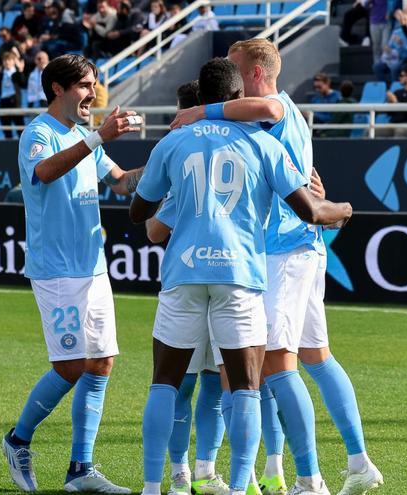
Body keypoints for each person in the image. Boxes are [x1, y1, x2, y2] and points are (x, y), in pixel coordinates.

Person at [170, 39, 383, 495]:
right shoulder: (281, 118)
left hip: (281, 250)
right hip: (301, 247)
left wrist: (200, 113)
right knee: (315, 358)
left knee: (271, 363)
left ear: (256, 74)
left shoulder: (274, 107)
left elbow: (264, 111)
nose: (229, 78)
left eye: (235, 68)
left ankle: (308, 479)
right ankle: (356, 461)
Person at [2, 54, 144, 493]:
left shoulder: (84, 135)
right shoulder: (38, 133)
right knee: (69, 366)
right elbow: (43, 173)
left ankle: (80, 470)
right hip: (57, 269)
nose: (93, 92)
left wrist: (167, 161)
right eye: (84, 84)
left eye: (95, 83)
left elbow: (121, 182)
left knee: (100, 363)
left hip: (93, 266)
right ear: (57, 89)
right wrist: (98, 138)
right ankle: (17, 439)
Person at [144, 80, 229, 495]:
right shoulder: (240, 142)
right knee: (212, 383)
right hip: (233, 277)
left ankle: (183, 474)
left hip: (191, 278)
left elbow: (153, 229)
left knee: (188, 383)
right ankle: (198, 471)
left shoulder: (179, 152)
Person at [0, 50, 26, 137]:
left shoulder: (16, 74)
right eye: (5, 60)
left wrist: (20, 71)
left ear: (14, 61)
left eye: (9, 60)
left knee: (20, 129)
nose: (7, 62)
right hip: (4, 102)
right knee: (6, 129)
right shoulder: (0, 75)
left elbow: (23, 83)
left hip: (15, 102)